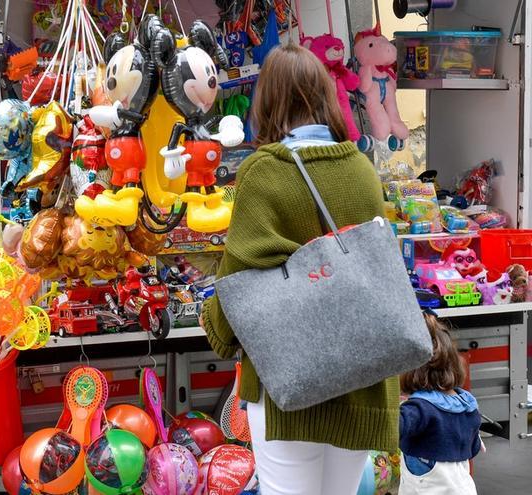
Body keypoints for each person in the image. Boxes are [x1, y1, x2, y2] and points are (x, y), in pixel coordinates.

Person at [200, 43, 396, 495]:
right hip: (361, 373)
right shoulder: (362, 169)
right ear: (326, 95)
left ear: (268, 100)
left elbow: (239, 273)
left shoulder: (264, 171)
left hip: (288, 373)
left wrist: (219, 332)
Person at [398, 314, 481, 494]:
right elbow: (473, 447)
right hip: (462, 486)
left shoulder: (419, 408)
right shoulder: (468, 404)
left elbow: (393, 428)